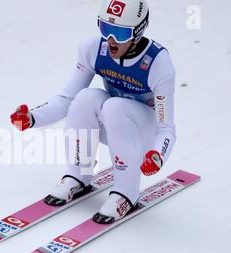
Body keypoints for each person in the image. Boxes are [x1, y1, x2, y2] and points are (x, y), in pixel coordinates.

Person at [10, 0, 176, 224]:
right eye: (106, 29)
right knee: (86, 98)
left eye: (120, 33)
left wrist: (157, 156)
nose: (112, 40)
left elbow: (167, 129)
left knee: (114, 106)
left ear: (137, 33)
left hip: (143, 136)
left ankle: (126, 192)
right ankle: (78, 175)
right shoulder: (93, 49)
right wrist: (32, 118)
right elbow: (67, 99)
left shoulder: (158, 63)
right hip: (114, 127)